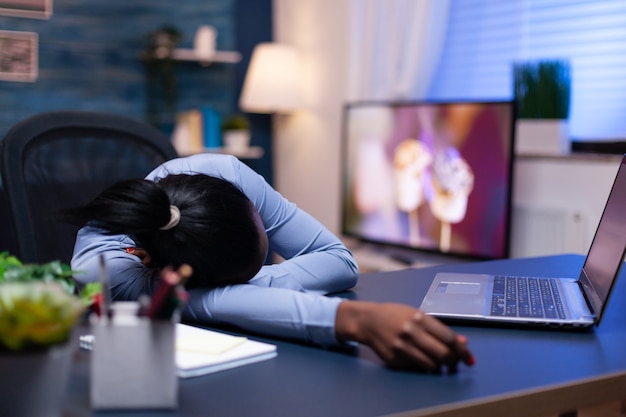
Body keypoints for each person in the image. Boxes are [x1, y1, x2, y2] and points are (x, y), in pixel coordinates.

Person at [67, 153, 474, 373]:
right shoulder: (106, 272)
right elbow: (213, 303)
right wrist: (355, 319)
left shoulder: (220, 175)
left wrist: (239, 287)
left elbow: (338, 261)